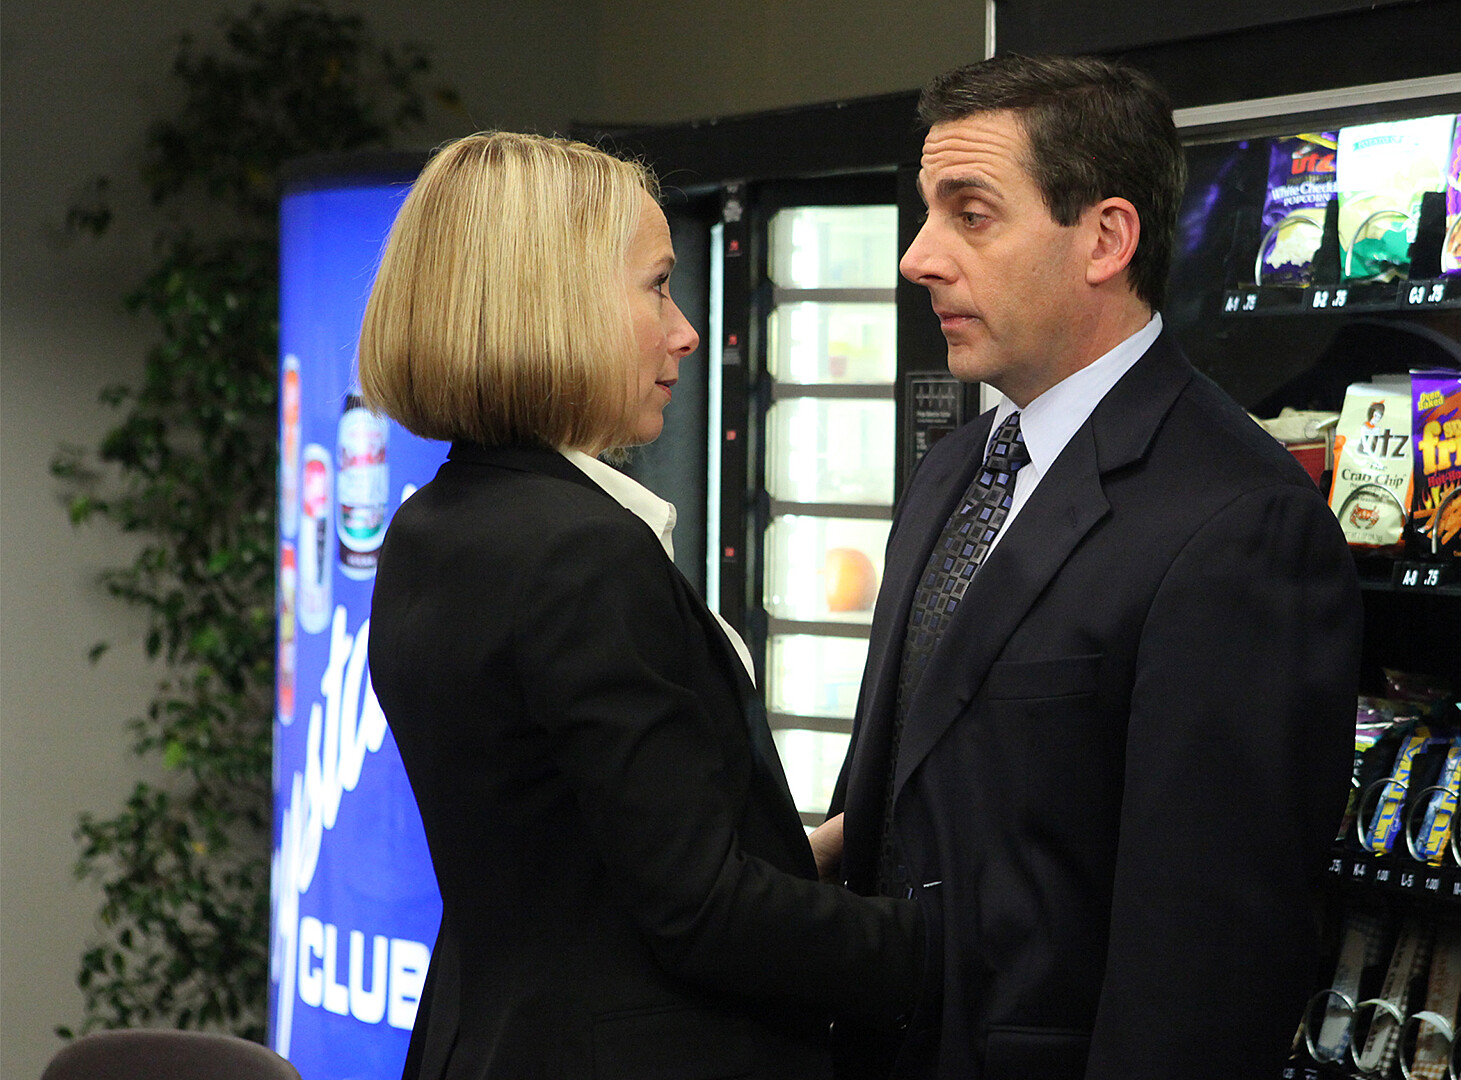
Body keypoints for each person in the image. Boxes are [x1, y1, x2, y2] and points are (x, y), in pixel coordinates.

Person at [826, 56, 1363, 1078]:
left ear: (1107, 240)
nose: (918, 257)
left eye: (970, 215)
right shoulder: (954, 469)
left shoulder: (1239, 523)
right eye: (927, 214)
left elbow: (1209, 970)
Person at [360, 132, 923, 1080]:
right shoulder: (582, 552)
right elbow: (704, 916)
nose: (687, 330)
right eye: (658, 286)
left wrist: (801, 855)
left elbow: (570, 853)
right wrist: (946, 950)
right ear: (555, 303)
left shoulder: (434, 527)